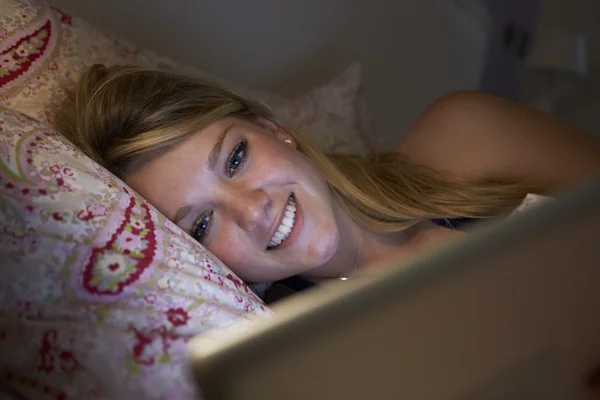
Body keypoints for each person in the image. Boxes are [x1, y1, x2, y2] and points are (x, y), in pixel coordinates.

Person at [54, 64, 600, 286]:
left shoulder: (464, 134)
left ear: (274, 129)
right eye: (201, 225)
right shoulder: (298, 369)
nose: (251, 210)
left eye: (236, 159)